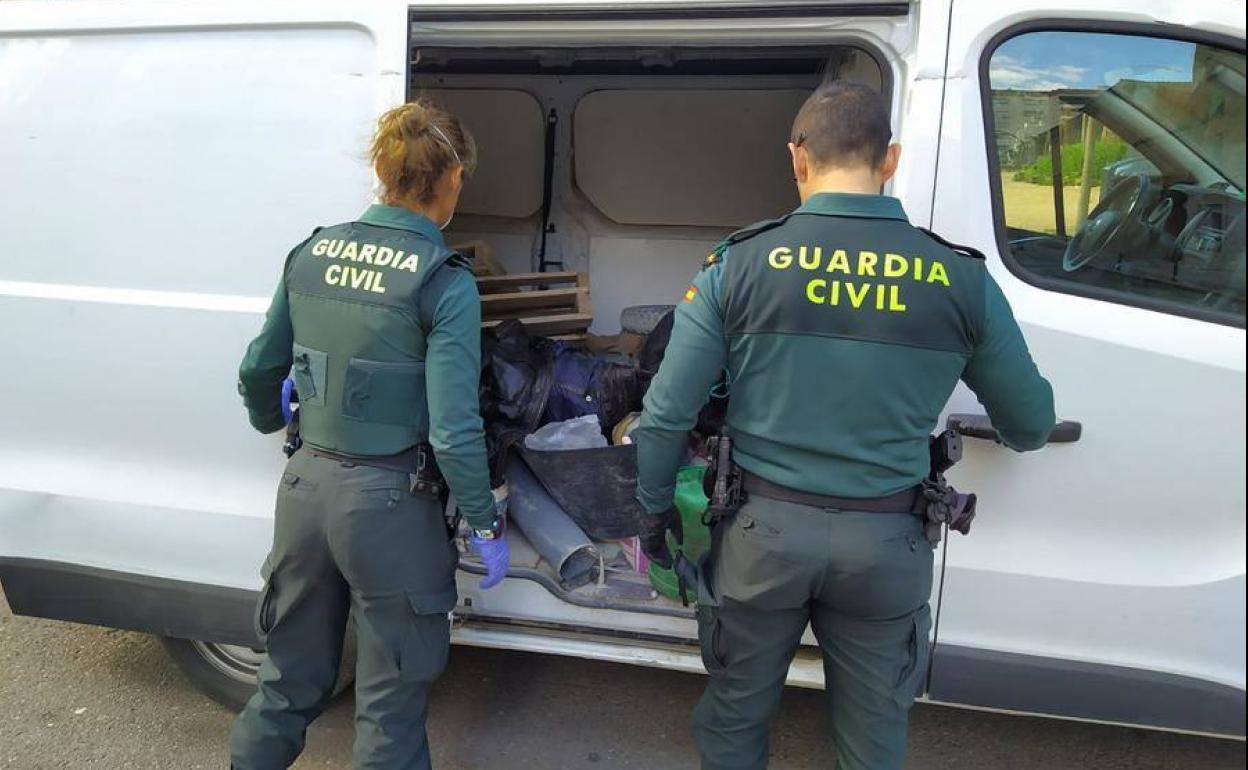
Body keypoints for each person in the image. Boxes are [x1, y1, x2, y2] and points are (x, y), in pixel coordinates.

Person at [633, 82, 1055, 770]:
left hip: (760, 539)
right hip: (889, 547)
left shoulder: (738, 264)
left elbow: (665, 417)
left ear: (797, 159)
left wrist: (654, 522)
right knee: (873, 741)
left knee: (736, 719)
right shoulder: (960, 278)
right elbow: (1031, 423)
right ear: (889, 160)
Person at [229, 99, 509, 770]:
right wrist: (485, 520)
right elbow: (452, 426)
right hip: (390, 507)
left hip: (305, 490)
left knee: (286, 679)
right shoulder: (444, 281)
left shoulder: (313, 251)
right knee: (389, 706)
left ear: (382, 172)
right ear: (452, 177)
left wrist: (279, 426)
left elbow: (258, 369)